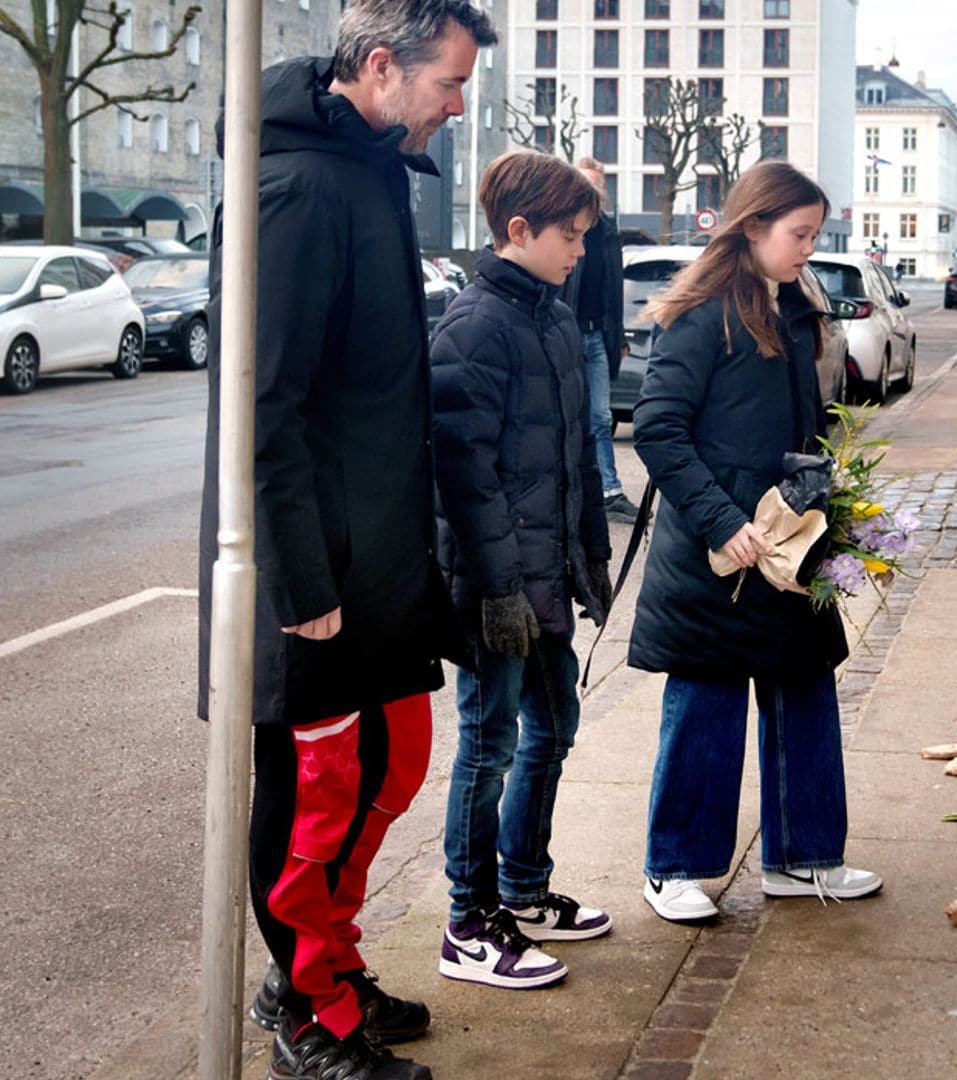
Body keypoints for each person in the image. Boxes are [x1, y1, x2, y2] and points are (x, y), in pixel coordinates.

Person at [197, 0, 496, 1076]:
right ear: (380, 67)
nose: (457, 108)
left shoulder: (370, 169)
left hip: (379, 555)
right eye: (448, 84)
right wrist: (301, 577)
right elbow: (263, 405)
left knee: (390, 766)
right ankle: (304, 1009)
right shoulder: (299, 186)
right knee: (313, 798)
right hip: (316, 570)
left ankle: (331, 965)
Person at [630, 161, 881, 924]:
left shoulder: (798, 308)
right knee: (705, 706)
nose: (810, 246)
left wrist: (832, 511)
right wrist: (723, 520)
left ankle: (803, 858)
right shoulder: (704, 314)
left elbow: (806, 428)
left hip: (789, 543)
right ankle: (676, 866)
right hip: (722, 556)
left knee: (804, 692)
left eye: (814, 233)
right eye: (799, 233)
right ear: (754, 226)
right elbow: (659, 431)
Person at [431, 151, 614, 992]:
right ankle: (469, 921)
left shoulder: (550, 317)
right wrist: (498, 591)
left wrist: (591, 557)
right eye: (570, 235)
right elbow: (466, 478)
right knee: (488, 746)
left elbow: (577, 456)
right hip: (497, 589)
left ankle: (523, 888)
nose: (580, 249)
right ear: (518, 231)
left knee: (552, 730)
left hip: (543, 580)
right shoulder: (475, 326)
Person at [564, 155, 636, 524]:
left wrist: (617, 336)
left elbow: (614, 291)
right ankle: (573, 489)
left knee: (600, 416)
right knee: (566, 414)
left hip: (596, 336)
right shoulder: (561, 228)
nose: (591, 192)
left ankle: (610, 491)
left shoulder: (608, 233)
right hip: (566, 334)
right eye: (585, 185)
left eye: (597, 186)